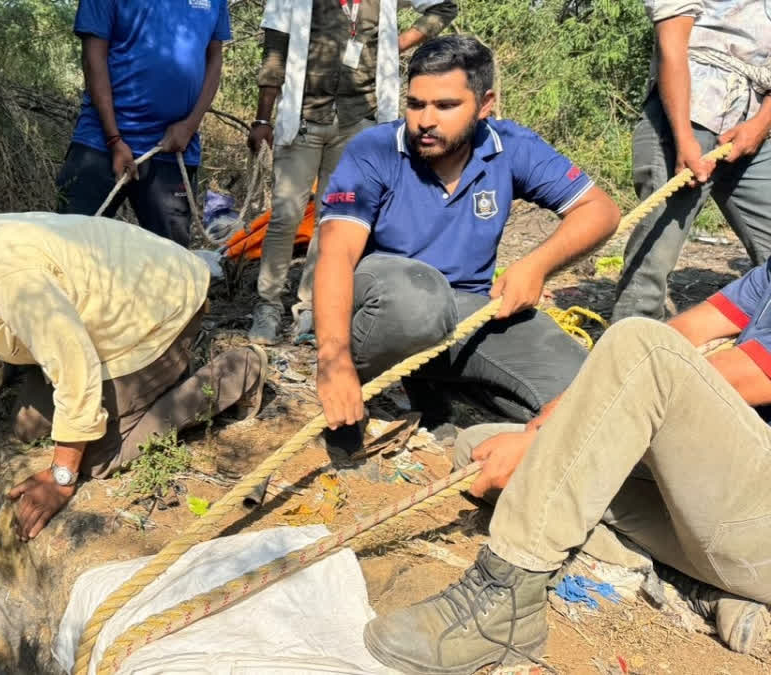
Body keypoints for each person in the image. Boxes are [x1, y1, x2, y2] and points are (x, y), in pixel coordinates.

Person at [363, 262, 771, 674]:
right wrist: (568, 414)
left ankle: (508, 594)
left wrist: (565, 423)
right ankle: (704, 583)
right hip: (729, 503)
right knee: (481, 449)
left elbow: (721, 374)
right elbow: (685, 333)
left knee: (640, 346)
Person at [0, 212, 267, 541]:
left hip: (156, 310)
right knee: (28, 425)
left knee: (93, 459)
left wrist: (61, 476)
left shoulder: (7, 279)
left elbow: (73, 365)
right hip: (99, 309)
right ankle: (154, 382)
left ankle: (235, 372)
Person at [313, 35, 621, 451]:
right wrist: (333, 359)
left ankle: (435, 385)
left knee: (587, 392)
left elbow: (600, 210)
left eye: (445, 106)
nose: (425, 120)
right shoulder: (375, 150)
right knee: (419, 299)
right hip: (386, 306)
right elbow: (336, 253)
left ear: (485, 104)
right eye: (416, 103)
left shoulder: (511, 147)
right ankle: (354, 395)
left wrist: (536, 264)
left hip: (469, 314)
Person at [247, 0, 459, 344]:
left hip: (359, 122)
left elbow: (444, 6)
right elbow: (274, 54)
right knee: (286, 215)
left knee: (332, 221)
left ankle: (313, 307)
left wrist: (399, 44)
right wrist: (261, 118)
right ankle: (268, 304)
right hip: (303, 120)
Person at [612, 0, 771, 321]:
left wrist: (760, 125)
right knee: (656, 254)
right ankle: (632, 348)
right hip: (690, 112)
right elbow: (673, 48)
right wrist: (684, 138)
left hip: (752, 123)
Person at [54, 0, 231, 247]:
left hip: (172, 151)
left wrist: (190, 126)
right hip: (100, 146)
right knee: (68, 251)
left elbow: (214, 59)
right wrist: (114, 139)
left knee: (171, 263)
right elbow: (93, 58)